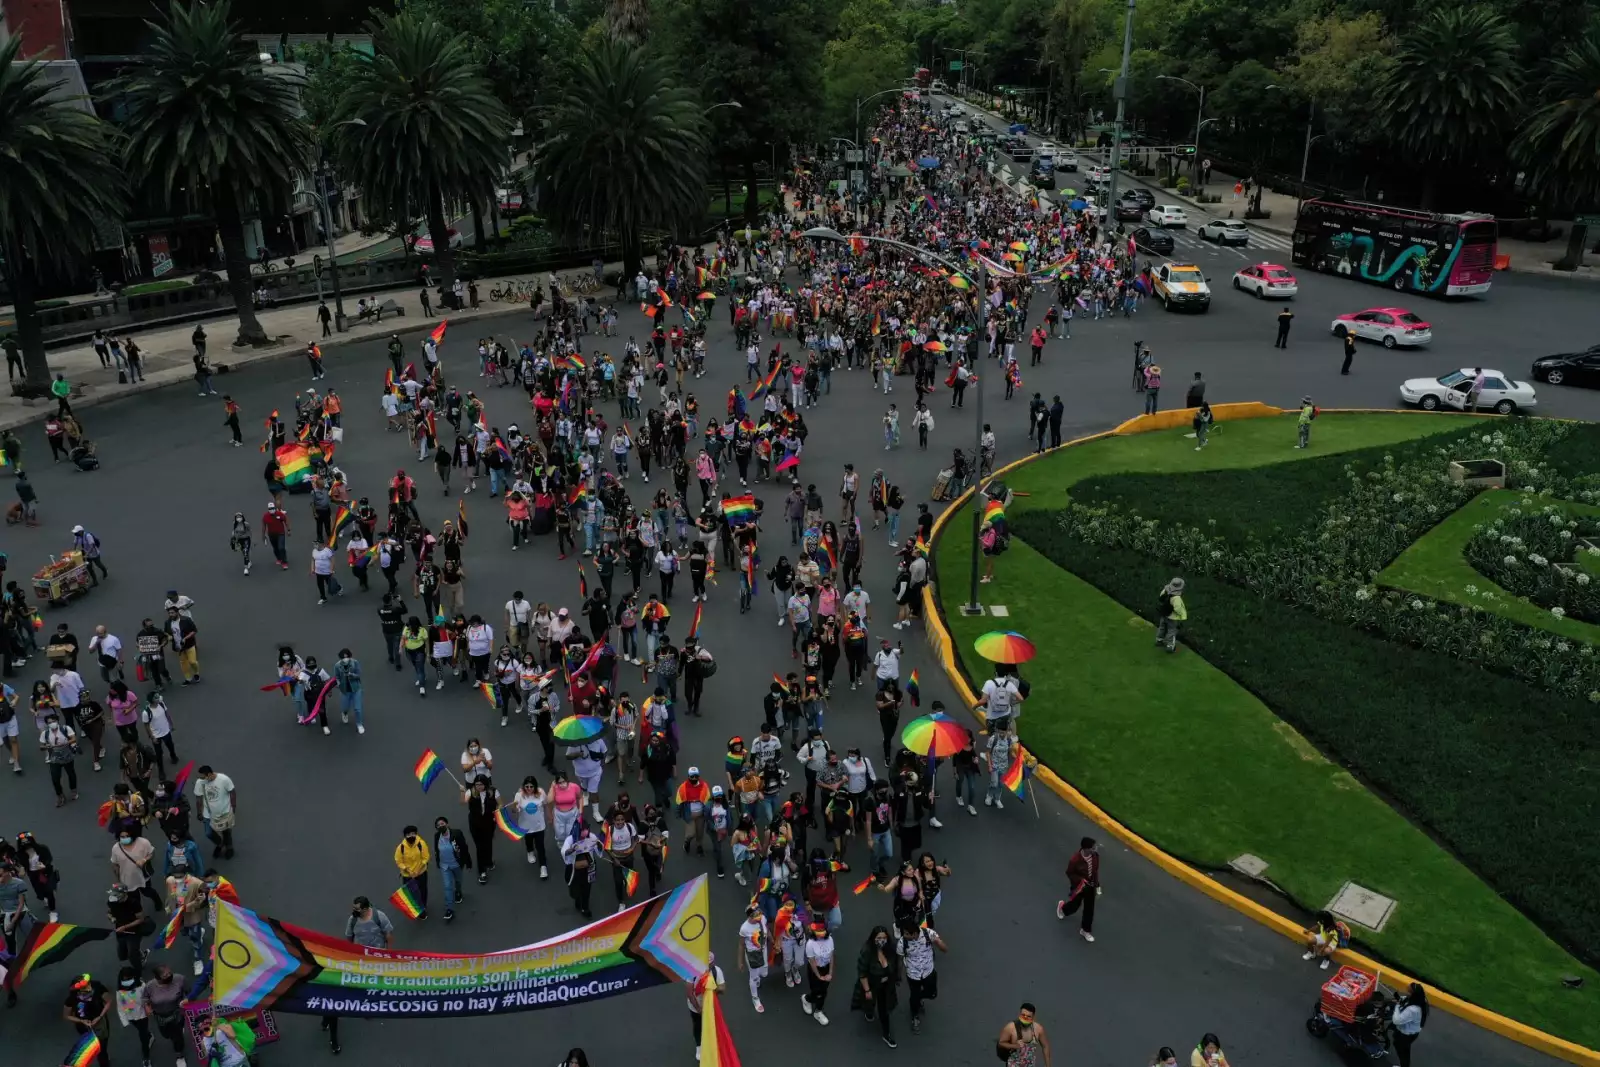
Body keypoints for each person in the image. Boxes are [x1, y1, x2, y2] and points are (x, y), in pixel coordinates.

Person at [894, 913, 946, 1034]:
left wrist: (938, 943)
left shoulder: (928, 934)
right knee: (914, 996)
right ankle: (915, 1016)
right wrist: (899, 975)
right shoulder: (902, 943)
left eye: (908, 934)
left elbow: (945, 949)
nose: (905, 936)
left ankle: (920, 998)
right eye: (904, 933)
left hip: (928, 971)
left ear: (916, 933)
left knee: (932, 993)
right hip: (913, 974)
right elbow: (900, 960)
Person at [854, 925, 901, 1048]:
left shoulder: (890, 949)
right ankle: (869, 1012)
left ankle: (887, 1034)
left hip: (886, 985)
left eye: (884, 937)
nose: (881, 940)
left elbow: (896, 965)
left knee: (884, 1009)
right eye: (879, 938)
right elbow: (862, 972)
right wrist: (867, 989)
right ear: (873, 938)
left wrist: (896, 977)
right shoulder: (867, 951)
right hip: (871, 983)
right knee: (869, 1001)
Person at [138, 963, 189, 1067]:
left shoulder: (179, 979)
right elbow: (145, 998)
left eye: (170, 973)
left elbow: (188, 992)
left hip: (177, 1013)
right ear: (157, 977)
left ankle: (179, 1055)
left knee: (177, 1037)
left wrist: (186, 1000)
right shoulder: (150, 986)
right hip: (161, 1016)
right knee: (166, 1035)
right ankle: (176, 1035)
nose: (169, 976)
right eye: (165, 975)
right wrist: (147, 1007)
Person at [62, 973, 114, 1067]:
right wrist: (81, 1021)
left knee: (102, 1050)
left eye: (88, 985)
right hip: (84, 1027)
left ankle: (104, 1060)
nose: (88, 989)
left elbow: (109, 1001)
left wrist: (100, 1016)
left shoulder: (98, 988)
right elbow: (66, 1015)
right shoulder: (72, 999)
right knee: (89, 1047)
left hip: (100, 1024)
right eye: (84, 989)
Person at [1055, 837, 1101, 942]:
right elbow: (1069, 873)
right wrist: (1080, 881)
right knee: (1075, 905)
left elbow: (1095, 871)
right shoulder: (1075, 860)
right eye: (1093, 848)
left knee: (1089, 909)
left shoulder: (1095, 856)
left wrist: (1097, 885)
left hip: (1091, 886)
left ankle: (1085, 930)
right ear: (1086, 849)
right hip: (1079, 886)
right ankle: (1063, 909)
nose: (1095, 849)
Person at [688, 956, 727, 1059]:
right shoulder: (692, 972)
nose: (710, 966)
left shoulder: (716, 971)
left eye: (711, 964)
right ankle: (699, 1047)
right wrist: (699, 1009)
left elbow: (723, 988)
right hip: (695, 1006)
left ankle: (711, 1044)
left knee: (711, 1024)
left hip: (710, 1005)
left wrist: (712, 988)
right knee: (698, 1026)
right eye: (708, 964)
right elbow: (689, 993)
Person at [433, 815, 472, 919]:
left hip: (456, 864)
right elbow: (436, 850)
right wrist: (438, 862)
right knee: (447, 886)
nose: (441, 826)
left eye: (442, 823)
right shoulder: (437, 836)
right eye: (438, 825)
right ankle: (449, 909)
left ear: (447, 824)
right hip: (444, 866)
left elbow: (464, 848)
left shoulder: (456, 834)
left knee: (458, 881)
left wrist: (468, 862)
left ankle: (458, 891)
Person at [997, 1002, 1052, 1067]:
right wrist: (1014, 1046)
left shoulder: (1038, 1029)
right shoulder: (1010, 1027)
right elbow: (1001, 1043)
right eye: (1023, 1015)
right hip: (1013, 1064)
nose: (1025, 1018)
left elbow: (1045, 1046)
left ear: (1033, 1017)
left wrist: (1048, 1065)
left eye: (1029, 1016)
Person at [802, 921, 835, 1026]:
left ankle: (818, 1011)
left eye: (822, 930)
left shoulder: (830, 939)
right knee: (817, 992)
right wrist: (819, 976)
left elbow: (831, 956)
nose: (820, 933)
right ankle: (806, 999)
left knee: (824, 991)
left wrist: (830, 972)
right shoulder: (810, 944)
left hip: (826, 968)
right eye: (818, 931)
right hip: (815, 970)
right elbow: (812, 962)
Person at [1389, 983, 1428, 1067]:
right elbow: (1407, 999)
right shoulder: (1421, 1000)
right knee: (1401, 1047)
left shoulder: (1413, 1010)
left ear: (1413, 995)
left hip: (1406, 1035)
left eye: (1409, 992)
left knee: (1403, 1052)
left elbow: (1396, 1020)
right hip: (1409, 1032)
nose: (1407, 994)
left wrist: (1397, 1006)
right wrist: (1402, 999)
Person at [1156, 577, 1186, 652]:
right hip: (1172, 617)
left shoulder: (1165, 591)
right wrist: (1181, 615)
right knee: (1172, 631)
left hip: (1164, 614)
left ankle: (1159, 640)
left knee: (1162, 627)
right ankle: (1170, 646)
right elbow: (1177, 608)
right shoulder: (1176, 598)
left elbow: (1161, 597)